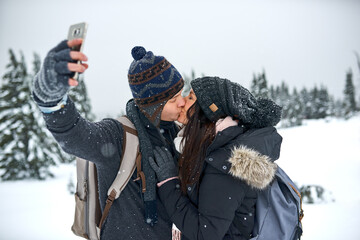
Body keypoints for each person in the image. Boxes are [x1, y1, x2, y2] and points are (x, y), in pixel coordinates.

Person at [32, 38, 188, 239]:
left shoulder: (178, 133)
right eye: (173, 99)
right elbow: (74, 135)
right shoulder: (118, 135)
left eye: (182, 94)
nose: (182, 102)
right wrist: (50, 98)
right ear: (153, 106)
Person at [149, 76, 283, 240]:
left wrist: (169, 183)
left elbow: (205, 233)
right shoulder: (208, 147)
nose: (182, 102)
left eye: (190, 97)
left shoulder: (225, 162)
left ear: (208, 112)